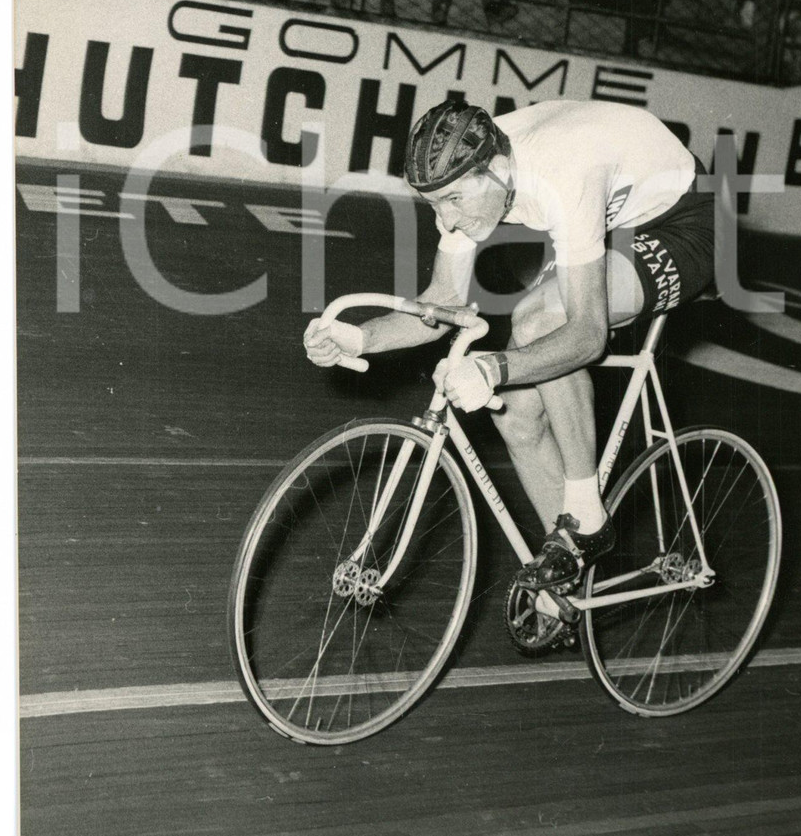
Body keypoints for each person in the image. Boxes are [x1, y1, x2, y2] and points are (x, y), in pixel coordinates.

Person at [304, 99, 715, 594]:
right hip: (612, 212)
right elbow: (443, 304)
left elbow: (587, 335)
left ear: (498, 170)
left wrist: (492, 369)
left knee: (539, 320)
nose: (447, 221)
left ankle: (587, 515)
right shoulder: (464, 173)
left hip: (685, 220)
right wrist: (361, 337)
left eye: (454, 201)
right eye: (434, 205)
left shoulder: (562, 176)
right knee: (516, 417)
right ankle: (566, 575)